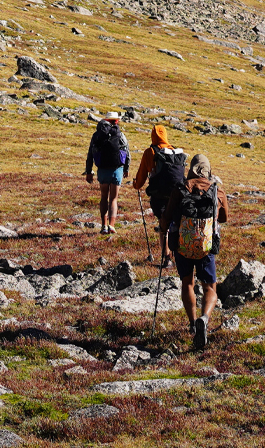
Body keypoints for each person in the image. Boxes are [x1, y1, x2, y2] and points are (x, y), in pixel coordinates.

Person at [163, 153, 229, 350]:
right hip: (206, 247)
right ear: (208, 170)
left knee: (187, 283)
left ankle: (192, 324)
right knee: (210, 287)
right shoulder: (217, 191)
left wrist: (165, 237)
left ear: (190, 168)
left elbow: (167, 217)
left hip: (183, 245)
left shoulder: (180, 189)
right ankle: (205, 318)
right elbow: (224, 218)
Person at [130, 125, 186, 262]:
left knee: (163, 225)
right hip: (177, 194)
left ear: (153, 136)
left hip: (159, 195)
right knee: (176, 222)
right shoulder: (175, 152)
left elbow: (142, 175)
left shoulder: (150, 152)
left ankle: (166, 257)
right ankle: (179, 255)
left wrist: (136, 185)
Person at [83, 113, 129, 233]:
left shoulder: (97, 135)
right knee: (113, 198)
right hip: (116, 169)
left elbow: (90, 154)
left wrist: (89, 171)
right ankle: (112, 225)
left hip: (103, 169)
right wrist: (126, 168)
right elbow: (126, 152)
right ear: (116, 121)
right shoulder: (120, 134)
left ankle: (103, 226)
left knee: (104, 197)